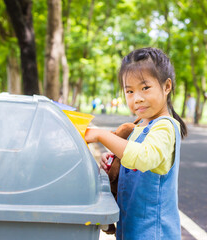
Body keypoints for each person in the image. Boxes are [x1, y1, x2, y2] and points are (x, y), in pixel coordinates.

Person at [85, 47, 187, 239]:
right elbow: (130, 156)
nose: (137, 98)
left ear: (166, 87)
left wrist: (101, 135)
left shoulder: (164, 126)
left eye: (145, 88)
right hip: (130, 230)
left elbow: (143, 157)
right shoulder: (138, 126)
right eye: (129, 91)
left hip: (154, 233)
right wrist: (115, 160)